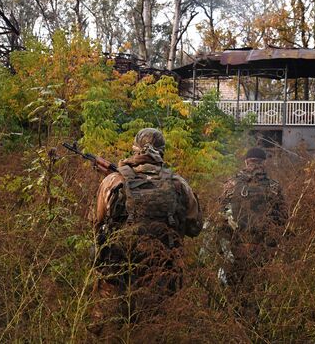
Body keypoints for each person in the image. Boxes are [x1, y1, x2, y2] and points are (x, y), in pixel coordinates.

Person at [91, 128, 202, 336]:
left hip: (118, 275)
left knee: (113, 331)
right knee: (157, 331)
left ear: (134, 150)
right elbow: (195, 228)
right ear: (163, 152)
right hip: (162, 276)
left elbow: (97, 225)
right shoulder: (178, 183)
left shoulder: (113, 181)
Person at [218, 147, 287, 287]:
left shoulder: (231, 184)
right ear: (264, 163)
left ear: (246, 162)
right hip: (264, 246)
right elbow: (283, 217)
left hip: (236, 244)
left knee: (236, 283)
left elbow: (221, 214)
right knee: (260, 284)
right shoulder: (274, 186)